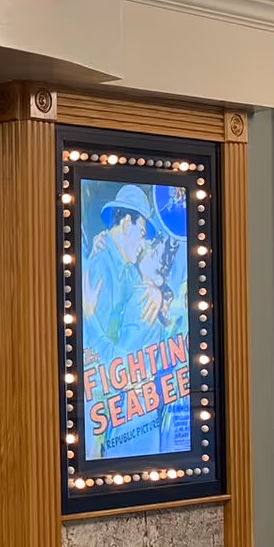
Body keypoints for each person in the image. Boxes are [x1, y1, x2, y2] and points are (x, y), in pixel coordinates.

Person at [82, 184, 186, 458]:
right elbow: (96, 361)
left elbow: (143, 284)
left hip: (124, 410)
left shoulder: (125, 270)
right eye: (141, 234)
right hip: (101, 410)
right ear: (126, 222)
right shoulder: (100, 269)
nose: (142, 246)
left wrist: (157, 290)